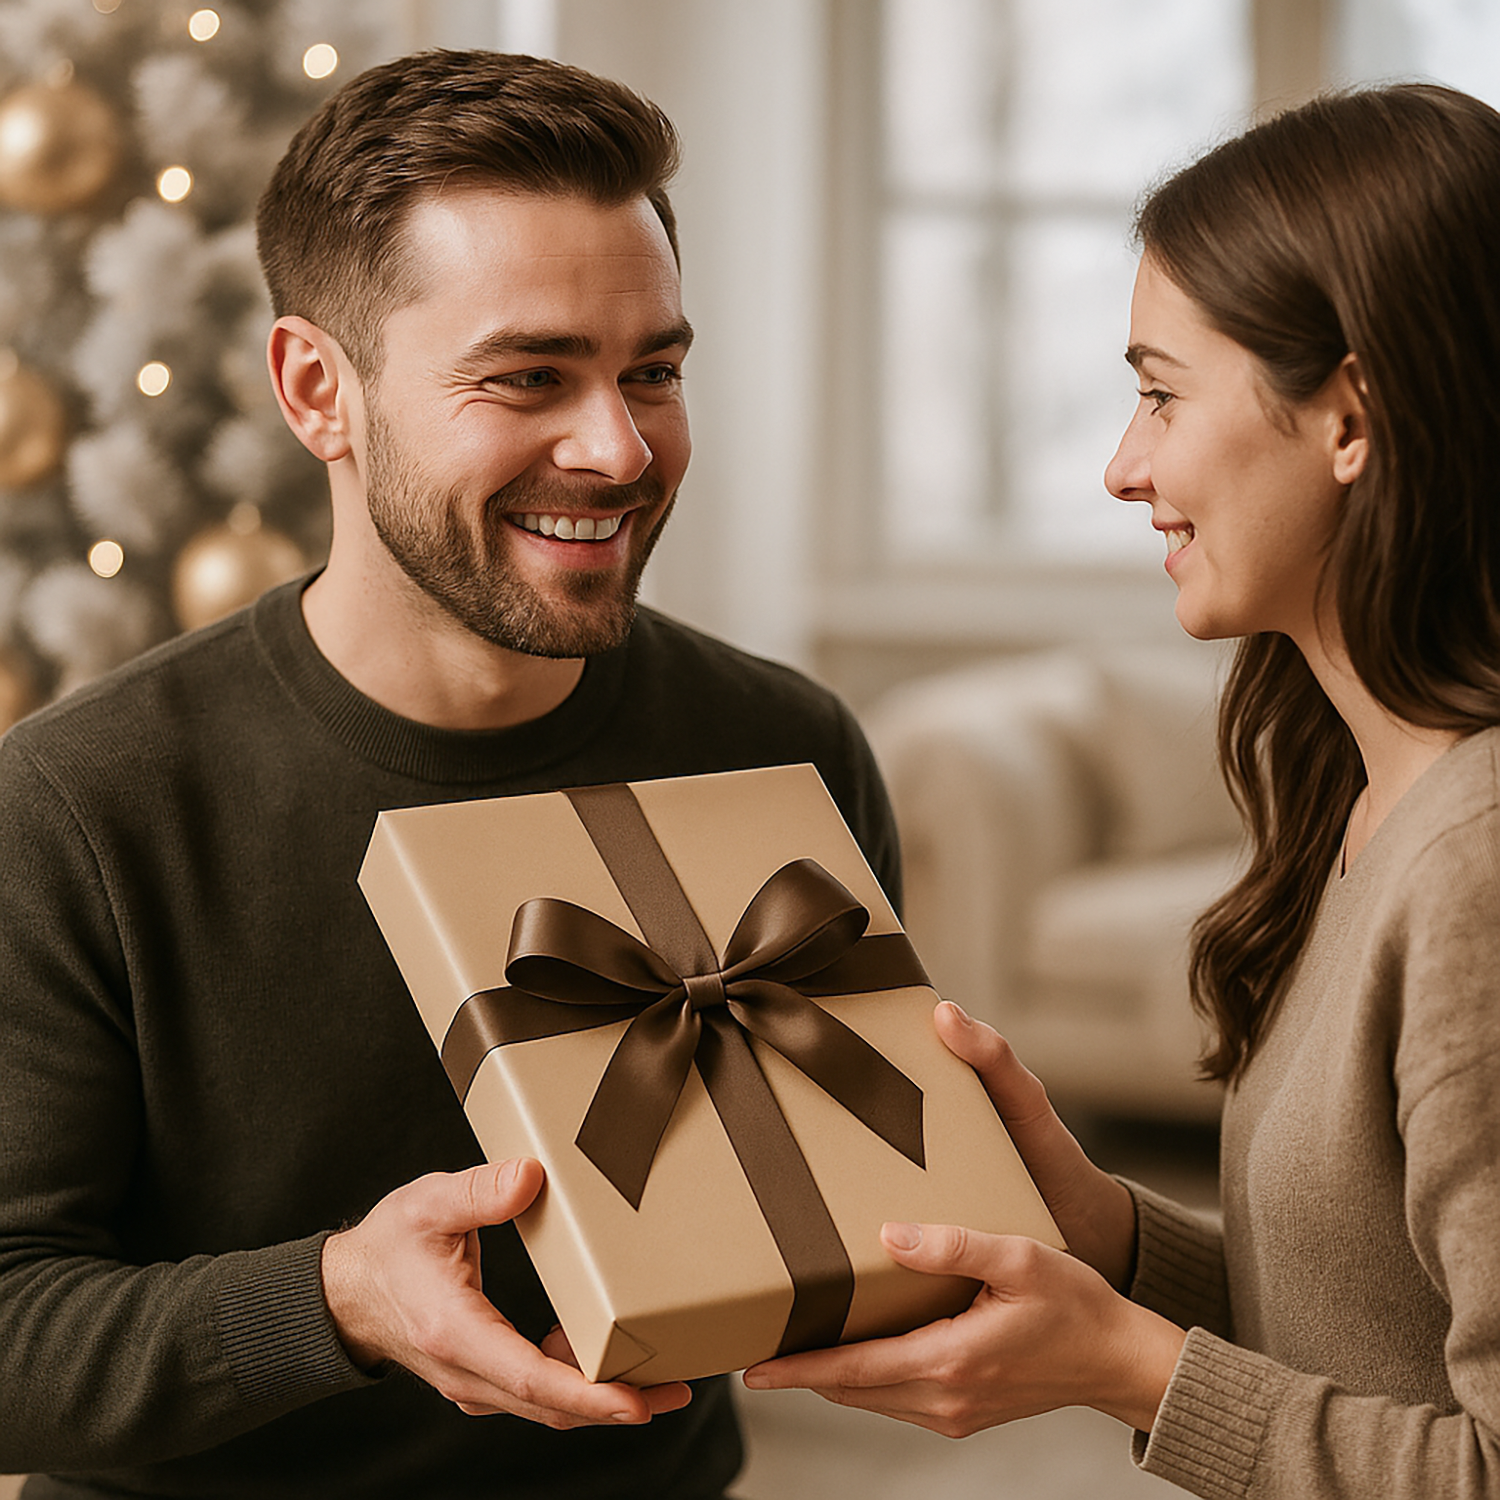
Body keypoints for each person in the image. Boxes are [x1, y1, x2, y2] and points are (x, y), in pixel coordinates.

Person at [0, 50, 902, 1500]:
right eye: (529, 377)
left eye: (654, 372)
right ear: (319, 391)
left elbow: (844, 1209)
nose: (618, 447)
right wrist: (339, 1299)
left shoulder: (787, 747)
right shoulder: (79, 806)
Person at [744, 82, 1500, 1497]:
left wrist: (1128, 1368)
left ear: (1351, 416)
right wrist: (1105, 1236)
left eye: (1161, 393)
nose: (1121, 466)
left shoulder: (1477, 870)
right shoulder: (1363, 798)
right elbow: (1371, 1332)